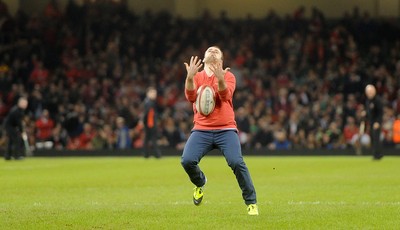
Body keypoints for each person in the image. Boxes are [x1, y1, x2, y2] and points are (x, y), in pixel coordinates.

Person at [181, 46, 258, 215]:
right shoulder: (198, 76)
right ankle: (200, 182)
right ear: (204, 58)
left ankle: (251, 202)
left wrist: (220, 79)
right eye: (210, 50)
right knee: (187, 161)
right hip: (201, 129)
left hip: (226, 129)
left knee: (237, 162)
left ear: (221, 61)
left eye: (217, 51)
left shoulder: (228, 76)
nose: (213, 51)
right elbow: (191, 97)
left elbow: (225, 96)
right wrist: (189, 77)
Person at [364, 84, 384, 160]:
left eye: (370, 91)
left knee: (376, 138)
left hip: (376, 123)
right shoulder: (368, 101)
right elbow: (369, 111)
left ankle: (378, 155)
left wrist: (378, 122)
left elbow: (380, 113)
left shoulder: (377, 100)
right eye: (368, 92)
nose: (369, 93)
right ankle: (376, 153)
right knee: (373, 138)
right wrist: (365, 112)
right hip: (371, 122)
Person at [142, 87, 161, 158]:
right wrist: (146, 122)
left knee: (147, 139)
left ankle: (146, 154)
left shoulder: (148, 102)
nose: (154, 95)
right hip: (150, 123)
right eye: (153, 93)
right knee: (152, 139)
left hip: (149, 123)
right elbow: (147, 114)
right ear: (148, 93)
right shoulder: (149, 102)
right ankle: (157, 154)